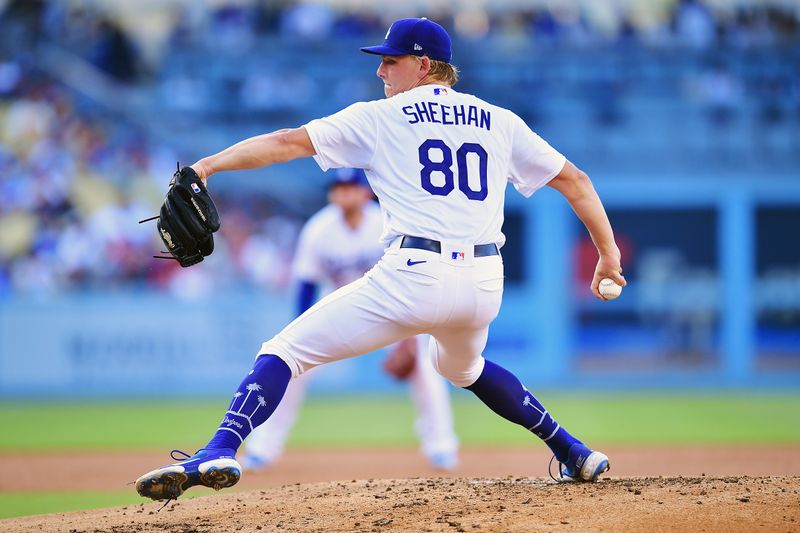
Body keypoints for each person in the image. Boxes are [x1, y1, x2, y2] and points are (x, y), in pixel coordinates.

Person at [135, 17, 626, 502]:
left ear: (424, 65)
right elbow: (576, 180)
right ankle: (573, 450)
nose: (381, 71)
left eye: (391, 61)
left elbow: (287, 142)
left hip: (415, 273)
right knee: (464, 368)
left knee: (284, 350)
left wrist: (207, 166)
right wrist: (608, 255)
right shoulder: (499, 119)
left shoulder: (382, 118)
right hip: (482, 283)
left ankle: (219, 448)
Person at [242, 168, 459, 471]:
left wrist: (409, 338)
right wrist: (298, 334)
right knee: (292, 368)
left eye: (350, 187)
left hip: (391, 307)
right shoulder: (319, 229)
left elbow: (410, 276)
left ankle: (441, 447)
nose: (343, 193)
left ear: (366, 192)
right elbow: (306, 284)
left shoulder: (387, 222)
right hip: (340, 309)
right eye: (338, 187)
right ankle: (262, 449)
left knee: (425, 364)